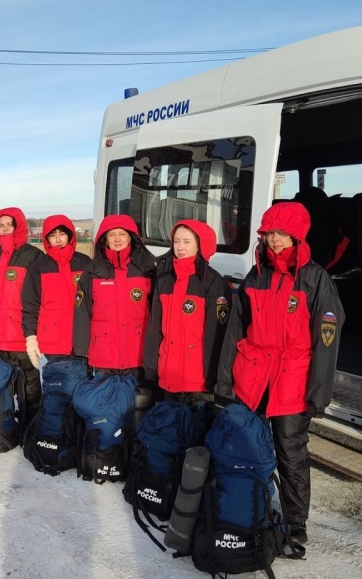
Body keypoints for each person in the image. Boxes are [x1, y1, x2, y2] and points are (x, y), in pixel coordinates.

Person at [216, 201, 344, 544]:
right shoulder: (257, 276)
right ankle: (250, 510)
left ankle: (295, 524)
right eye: (270, 233)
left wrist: (319, 392)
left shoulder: (315, 280)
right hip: (252, 379)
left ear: (298, 237)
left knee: (291, 455)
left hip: (292, 382)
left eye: (282, 234)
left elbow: (326, 341)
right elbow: (236, 332)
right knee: (249, 448)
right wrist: (225, 379)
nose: (275, 241)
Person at [144, 220, 231, 404]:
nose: (180, 247)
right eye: (176, 241)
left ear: (200, 245)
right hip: (167, 373)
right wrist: (151, 368)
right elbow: (155, 329)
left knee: (195, 429)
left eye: (187, 241)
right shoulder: (164, 279)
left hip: (197, 380)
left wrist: (213, 377)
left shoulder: (212, 282)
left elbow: (216, 335)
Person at [0, 208, 44, 428]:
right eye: (1, 225)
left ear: (19, 226)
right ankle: (3, 424)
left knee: (28, 381)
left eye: (9, 224)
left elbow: (40, 295)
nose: (5, 228)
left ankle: (30, 425)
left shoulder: (33, 256)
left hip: (19, 331)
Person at [73, 215, 155, 381]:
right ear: (105, 239)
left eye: (122, 234)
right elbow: (82, 312)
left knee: (139, 403)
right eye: (112, 235)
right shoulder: (92, 272)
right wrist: (81, 349)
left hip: (138, 352)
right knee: (106, 402)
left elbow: (157, 311)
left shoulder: (147, 269)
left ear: (131, 238)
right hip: (104, 355)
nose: (117, 239)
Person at [21, 214, 91, 371]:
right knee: (58, 386)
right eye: (53, 235)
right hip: (53, 339)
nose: (58, 239)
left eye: (62, 234)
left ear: (70, 235)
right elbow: (30, 304)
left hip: (81, 338)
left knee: (83, 387)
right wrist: (31, 337)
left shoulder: (85, 263)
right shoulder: (39, 267)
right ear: (46, 239)